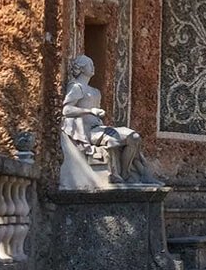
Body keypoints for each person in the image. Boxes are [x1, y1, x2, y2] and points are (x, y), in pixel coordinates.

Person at [61, 55, 153, 184]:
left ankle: (127, 172)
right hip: (87, 131)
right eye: (89, 64)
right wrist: (90, 111)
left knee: (135, 137)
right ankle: (120, 174)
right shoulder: (76, 87)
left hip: (99, 128)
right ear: (81, 68)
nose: (93, 67)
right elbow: (66, 110)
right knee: (114, 140)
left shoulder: (95, 91)